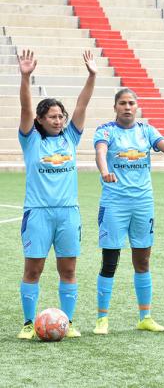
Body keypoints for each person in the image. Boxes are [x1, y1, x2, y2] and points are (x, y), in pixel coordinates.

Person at [93, 88, 164, 335]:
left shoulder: (146, 130)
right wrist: (104, 171)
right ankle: (102, 319)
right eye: (122, 103)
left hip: (142, 203)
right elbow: (101, 151)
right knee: (110, 261)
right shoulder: (106, 130)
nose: (127, 107)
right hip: (115, 203)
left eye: (131, 103)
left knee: (143, 260)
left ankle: (145, 316)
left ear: (137, 107)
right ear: (115, 107)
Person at [17, 49, 96, 339]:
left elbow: (82, 105)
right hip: (38, 213)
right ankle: (28, 323)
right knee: (34, 268)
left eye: (61, 116)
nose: (59, 120)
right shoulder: (30, 141)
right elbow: (25, 109)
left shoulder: (71, 138)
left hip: (68, 213)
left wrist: (92, 76)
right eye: (52, 116)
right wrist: (25, 77)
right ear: (40, 120)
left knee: (68, 268)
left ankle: (68, 322)